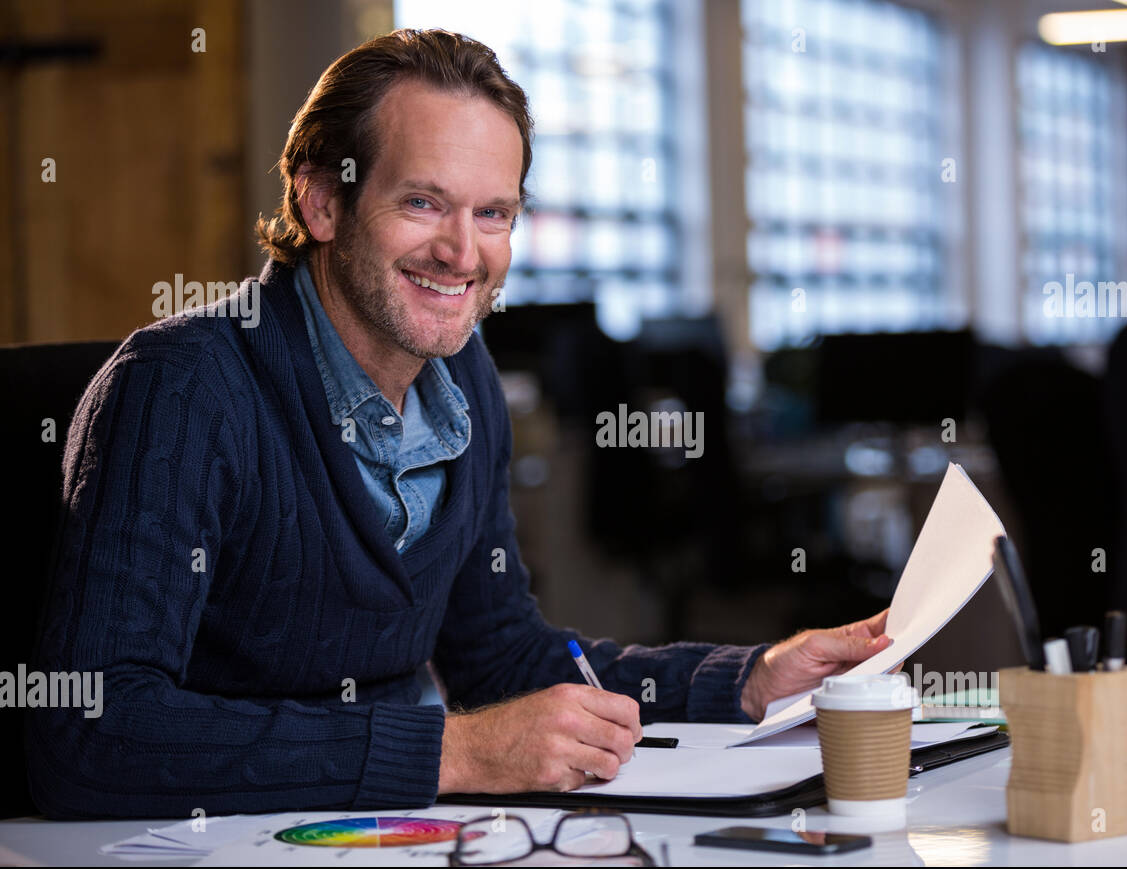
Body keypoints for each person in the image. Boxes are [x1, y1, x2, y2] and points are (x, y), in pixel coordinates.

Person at [26, 29, 891, 818]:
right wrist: (455, 750)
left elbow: (503, 658)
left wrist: (748, 680)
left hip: (395, 837)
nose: (463, 254)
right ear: (322, 202)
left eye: (494, 213)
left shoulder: (466, 381)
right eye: (422, 203)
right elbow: (90, 733)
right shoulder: (180, 389)